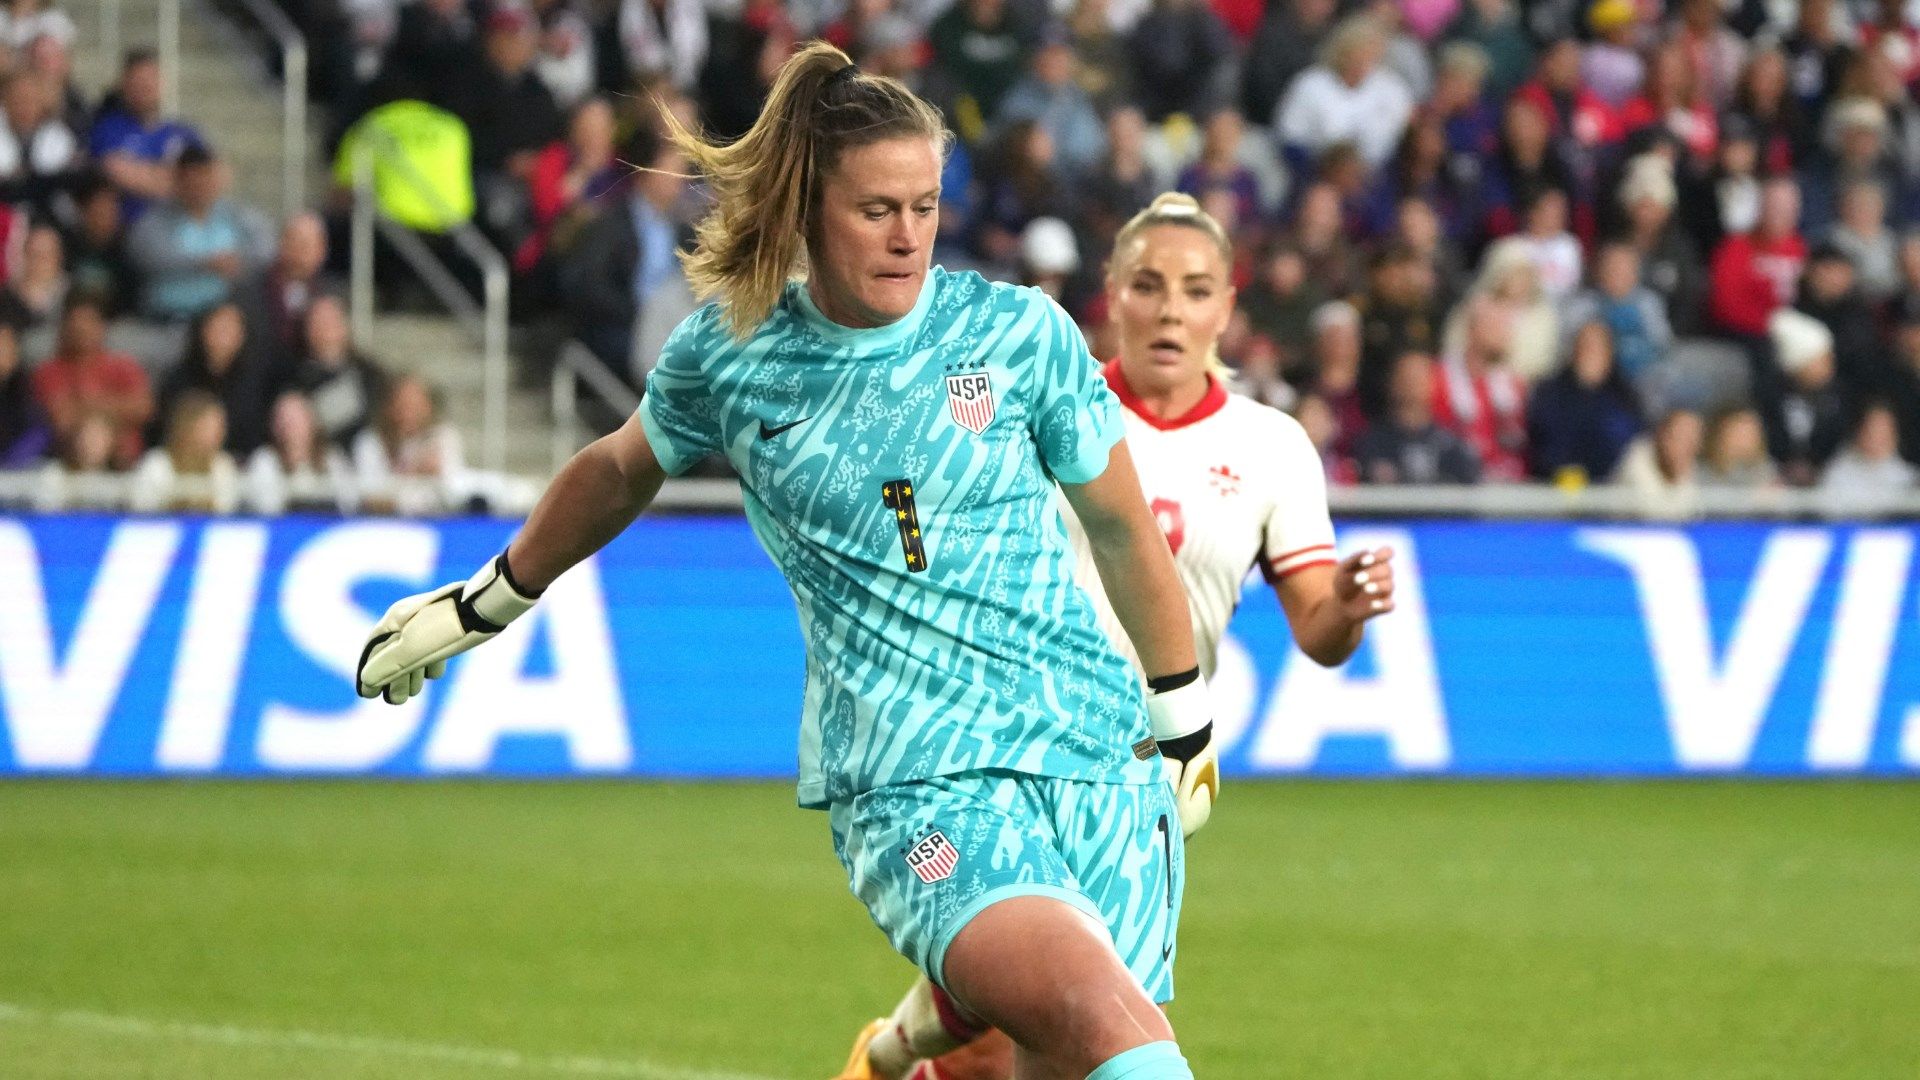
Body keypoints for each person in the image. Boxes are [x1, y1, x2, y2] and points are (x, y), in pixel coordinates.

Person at [351, 45, 1233, 1080]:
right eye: (876, 211)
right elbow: (618, 469)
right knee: (1110, 1027)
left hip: (1096, 758)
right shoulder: (735, 354)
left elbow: (1126, 531)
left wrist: (1183, 728)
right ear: (810, 209)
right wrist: (484, 601)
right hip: (920, 787)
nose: (909, 238)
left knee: (1062, 1061)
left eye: (927, 206)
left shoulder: (1017, 335)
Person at [834, 191, 1396, 1080]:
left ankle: (893, 1058)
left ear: (1227, 307)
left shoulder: (1273, 446)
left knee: (1046, 1022)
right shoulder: (1045, 400)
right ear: (1113, 294)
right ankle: (908, 1056)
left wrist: (1351, 612)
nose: (1171, 307)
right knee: (1065, 1016)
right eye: (1148, 284)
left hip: (1154, 762)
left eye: (1196, 289)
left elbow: (1318, 632)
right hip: (1016, 736)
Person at [129, 389, 240, 514]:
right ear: (188, 426)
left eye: (220, 426)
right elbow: (142, 512)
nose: (218, 433)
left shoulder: (223, 465)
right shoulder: (157, 463)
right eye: (208, 426)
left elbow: (225, 512)